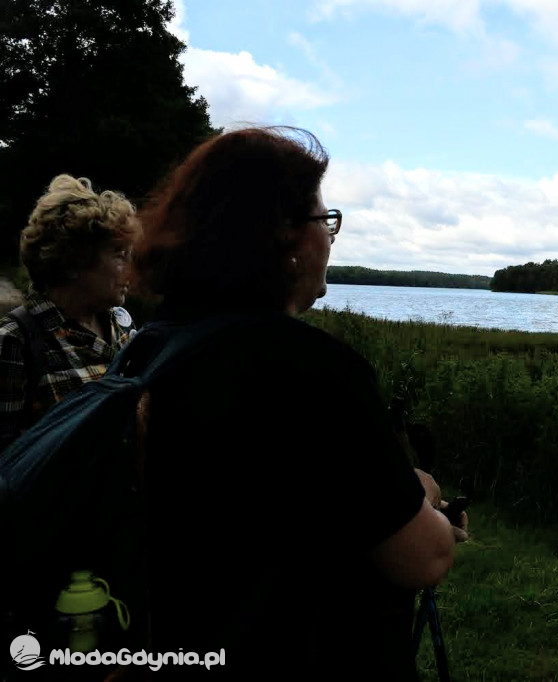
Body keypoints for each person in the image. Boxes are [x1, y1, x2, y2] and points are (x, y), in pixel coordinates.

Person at [131, 126, 465, 679]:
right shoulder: (310, 369)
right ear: (284, 238)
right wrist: (423, 490)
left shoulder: (151, 346)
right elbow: (425, 556)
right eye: (323, 221)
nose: (330, 238)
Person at [0, 175, 138, 450]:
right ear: (74, 261)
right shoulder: (15, 341)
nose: (131, 267)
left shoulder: (122, 324)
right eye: (119, 254)